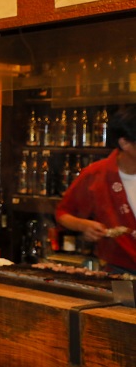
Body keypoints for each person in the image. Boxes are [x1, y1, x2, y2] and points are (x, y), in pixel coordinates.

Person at [56, 106, 136, 274]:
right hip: (120, 271)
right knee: (120, 292)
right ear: (125, 143)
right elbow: (63, 213)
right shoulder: (97, 174)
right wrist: (84, 226)